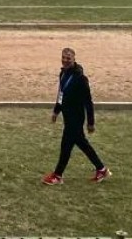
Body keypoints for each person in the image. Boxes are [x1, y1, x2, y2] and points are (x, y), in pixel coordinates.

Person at [42, 47, 110, 185]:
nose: (65, 60)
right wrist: (56, 110)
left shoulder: (80, 78)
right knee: (82, 143)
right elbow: (61, 94)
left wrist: (91, 122)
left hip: (76, 118)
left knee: (66, 145)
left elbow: (88, 101)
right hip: (67, 116)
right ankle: (101, 169)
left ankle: (57, 175)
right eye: (63, 57)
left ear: (74, 59)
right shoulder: (62, 74)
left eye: (68, 58)